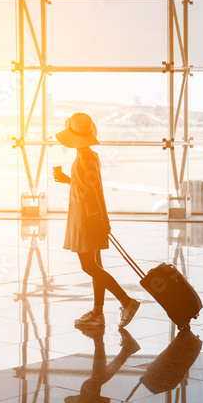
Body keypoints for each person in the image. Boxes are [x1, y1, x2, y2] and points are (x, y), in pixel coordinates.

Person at [53, 112, 140, 328]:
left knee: (89, 266)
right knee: (96, 265)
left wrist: (100, 217)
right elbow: (89, 187)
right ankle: (97, 311)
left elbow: (91, 192)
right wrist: (69, 181)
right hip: (92, 216)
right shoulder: (89, 155)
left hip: (85, 218)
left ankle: (126, 301)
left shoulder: (84, 158)